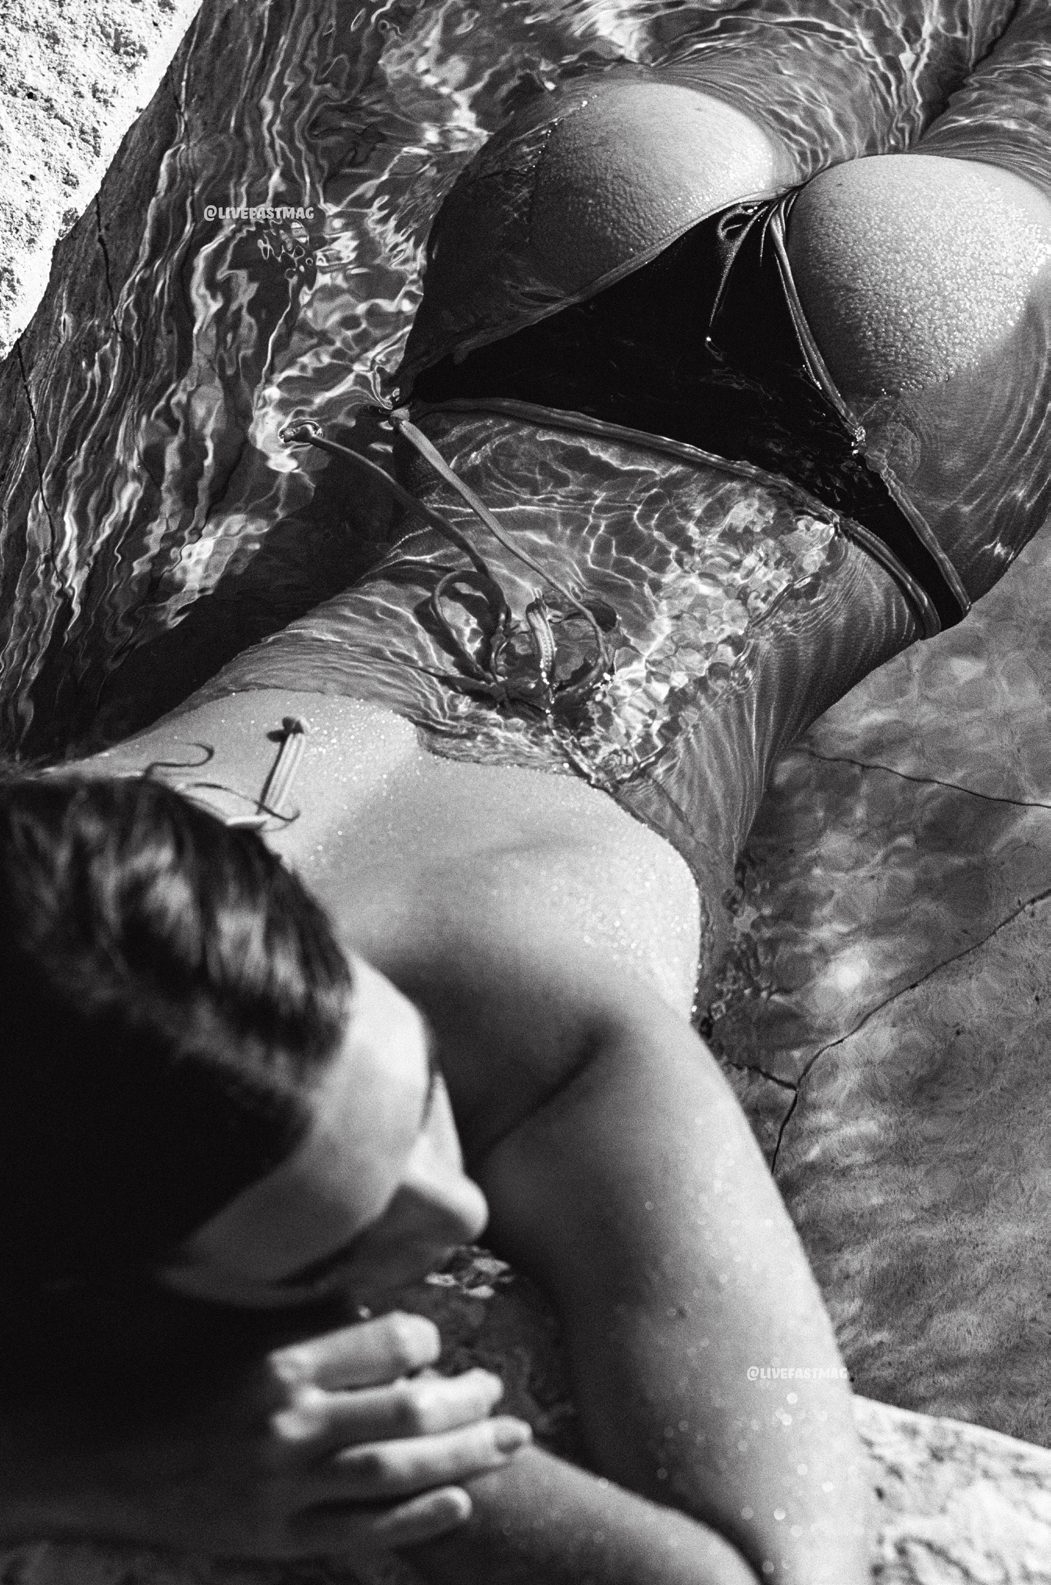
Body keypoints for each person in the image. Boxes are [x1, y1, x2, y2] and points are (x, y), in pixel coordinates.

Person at [0, 1, 1048, 1582]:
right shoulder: (67, 863)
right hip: (583, 242)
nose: (449, 1211)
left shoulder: (539, 1008)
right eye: (350, 1234)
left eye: (416, 1115)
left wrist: (148, 1443)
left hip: (895, 424)